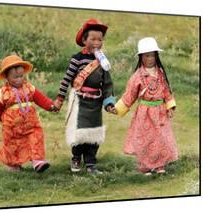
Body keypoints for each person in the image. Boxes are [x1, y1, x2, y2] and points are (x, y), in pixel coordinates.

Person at [54, 19, 117, 174]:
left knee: (94, 133)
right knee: (79, 132)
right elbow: (67, 79)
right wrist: (59, 99)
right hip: (80, 101)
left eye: (100, 39)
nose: (97, 42)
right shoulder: (77, 59)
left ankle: (91, 163)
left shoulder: (102, 61)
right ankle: (76, 158)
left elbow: (107, 83)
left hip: (95, 102)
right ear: (84, 40)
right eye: (93, 39)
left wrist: (108, 102)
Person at [115, 37, 178, 175]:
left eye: (153, 55)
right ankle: (145, 166)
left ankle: (159, 164)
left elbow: (166, 90)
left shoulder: (160, 73)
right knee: (146, 139)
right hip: (145, 113)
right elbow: (130, 94)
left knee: (161, 138)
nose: (150, 59)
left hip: (160, 112)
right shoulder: (137, 76)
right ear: (141, 57)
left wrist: (170, 106)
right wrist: (118, 108)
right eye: (147, 56)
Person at [0, 54, 57, 172]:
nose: (19, 79)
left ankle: (38, 161)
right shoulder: (3, 92)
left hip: (31, 124)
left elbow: (40, 98)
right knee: (12, 145)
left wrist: (51, 106)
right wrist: (4, 118)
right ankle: (14, 165)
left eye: (21, 76)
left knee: (36, 137)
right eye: (15, 77)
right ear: (7, 77)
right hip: (12, 127)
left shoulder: (29, 88)